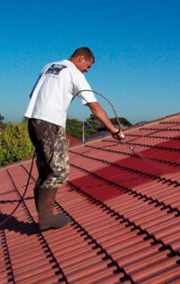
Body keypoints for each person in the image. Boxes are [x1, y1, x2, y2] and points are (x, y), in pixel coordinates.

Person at [25, 47, 124, 230]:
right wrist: (113, 130)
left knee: (46, 170)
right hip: (50, 123)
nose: (87, 70)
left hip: (34, 122)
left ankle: (44, 216)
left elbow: (33, 95)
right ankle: (46, 218)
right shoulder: (74, 72)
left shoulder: (49, 66)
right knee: (59, 171)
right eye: (88, 65)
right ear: (80, 59)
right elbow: (93, 106)